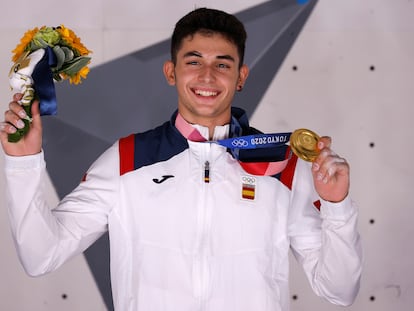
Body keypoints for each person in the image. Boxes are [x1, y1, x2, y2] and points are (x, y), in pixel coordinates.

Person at [0, 7, 362, 311]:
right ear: (171, 72)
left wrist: (337, 206)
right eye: (194, 61)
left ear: (241, 77)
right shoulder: (128, 159)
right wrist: (22, 164)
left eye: (223, 64)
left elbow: (339, 290)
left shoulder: (282, 165)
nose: (207, 76)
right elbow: (40, 256)